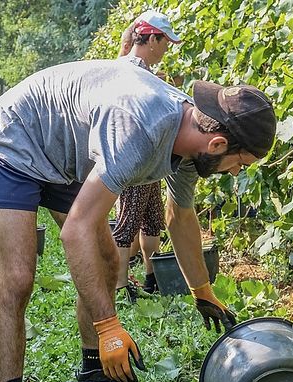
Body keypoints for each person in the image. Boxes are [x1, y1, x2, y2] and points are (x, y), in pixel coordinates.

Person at [0, 60, 276, 382]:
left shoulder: (193, 146)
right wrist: (109, 327)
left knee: (107, 262)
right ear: (218, 144)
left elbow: (180, 217)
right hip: (19, 134)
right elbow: (76, 229)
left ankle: (93, 370)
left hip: (63, 152)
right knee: (18, 278)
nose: (236, 173)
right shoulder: (140, 129)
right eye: (241, 164)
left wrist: (202, 291)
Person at [113, 11, 181, 296]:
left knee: (152, 221)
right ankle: (120, 286)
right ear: (152, 38)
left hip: (150, 163)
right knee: (127, 225)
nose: (166, 49)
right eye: (165, 42)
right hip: (134, 162)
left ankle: (152, 279)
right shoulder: (132, 72)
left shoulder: (142, 71)